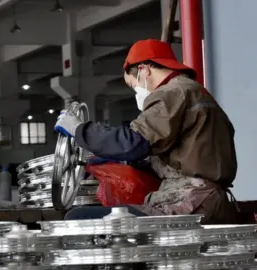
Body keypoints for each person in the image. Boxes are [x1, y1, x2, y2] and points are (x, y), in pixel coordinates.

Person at [54, 39, 238, 224]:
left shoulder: (172, 92)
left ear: (144, 70)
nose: (137, 92)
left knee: (76, 219)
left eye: (134, 86)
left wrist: (79, 129)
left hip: (189, 201)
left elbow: (133, 142)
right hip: (208, 200)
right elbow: (181, 153)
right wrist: (121, 161)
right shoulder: (194, 92)